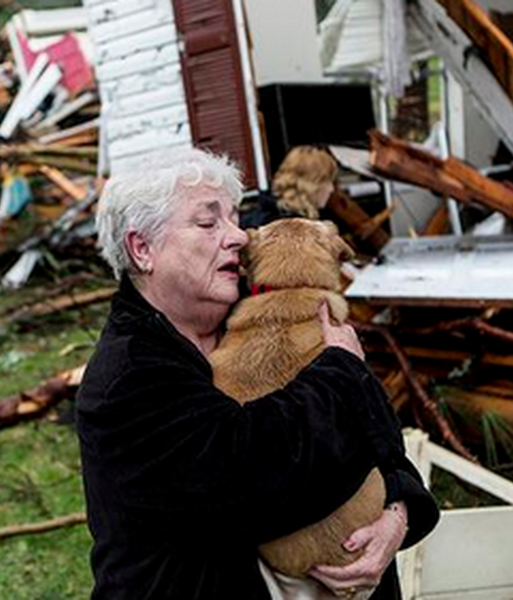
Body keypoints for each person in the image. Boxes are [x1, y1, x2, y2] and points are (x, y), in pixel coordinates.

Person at [76, 147, 438, 600]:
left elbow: (380, 432)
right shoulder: (127, 380)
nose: (240, 237)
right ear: (142, 249)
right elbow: (256, 473)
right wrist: (343, 372)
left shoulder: (262, 313)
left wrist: (398, 512)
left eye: (234, 217)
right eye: (209, 223)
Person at [241, 146, 338, 228]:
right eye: (328, 181)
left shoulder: (265, 216)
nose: (331, 189)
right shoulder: (292, 228)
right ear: (312, 184)